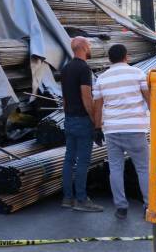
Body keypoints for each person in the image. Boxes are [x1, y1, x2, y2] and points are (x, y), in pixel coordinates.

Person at [93, 44, 150, 220]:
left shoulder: (102, 78)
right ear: (126, 56)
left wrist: (97, 127)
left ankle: (121, 207)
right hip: (135, 128)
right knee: (143, 168)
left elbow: (98, 105)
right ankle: (148, 204)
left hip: (112, 129)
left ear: (110, 59)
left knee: (115, 169)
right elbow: (149, 99)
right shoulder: (138, 73)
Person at [60, 37, 103, 212]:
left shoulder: (66, 69)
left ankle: (67, 198)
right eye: (90, 45)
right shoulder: (84, 69)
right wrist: (96, 124)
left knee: (69, 159)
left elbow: (64, 98)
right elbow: (87, 98)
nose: (90, 47)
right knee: (83, 162)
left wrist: (68, 115)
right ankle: (81, 200)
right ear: (84, 47)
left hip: (69, 119)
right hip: (82, 120)